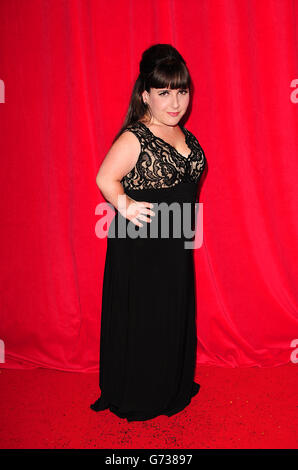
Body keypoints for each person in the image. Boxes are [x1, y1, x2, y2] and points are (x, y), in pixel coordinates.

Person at [91, 43, 206, 422]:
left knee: (172, 315)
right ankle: (142, 392)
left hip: (175, 245)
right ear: (145, 94)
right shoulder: (135, 138)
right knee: (147, 319)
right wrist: (125, 206)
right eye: (164, 93)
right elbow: (105, 177)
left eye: (181, 91)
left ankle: (171, 383)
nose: (175, 103)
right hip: (143, 248)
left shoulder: (182, 134)